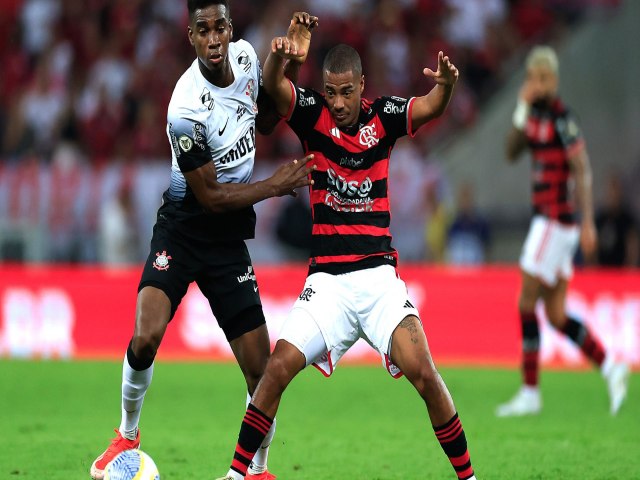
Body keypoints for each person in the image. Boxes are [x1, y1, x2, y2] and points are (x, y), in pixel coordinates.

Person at [216, 30, 477, 480]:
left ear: (362, 85)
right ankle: (238, 475)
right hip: (328, 285)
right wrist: (278, 60)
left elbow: (430, 105)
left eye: (346, 92)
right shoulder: (313, 115)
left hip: (378, 281)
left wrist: (448, 86)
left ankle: (469, 478)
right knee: (275, 369)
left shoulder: (386, 118)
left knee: (425, 374)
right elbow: (276, 91)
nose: (337, 103)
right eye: (331, 92)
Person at [89, 3, 317, 479]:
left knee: (262, 371)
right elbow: (210, 197)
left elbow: (268, 121)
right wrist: (274, 186)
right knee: (146, 335)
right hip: (185, 226)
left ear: (230, 30)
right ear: (190, 37)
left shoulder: (250, 58)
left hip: (227, 240)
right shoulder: (184, 107)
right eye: (202, 30)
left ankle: (257, 469)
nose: (213, 38)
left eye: (220, 27)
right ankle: (126, 434)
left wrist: (287, 64)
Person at [496, 45, 630, 417]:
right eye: (531, 78)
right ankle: (611, 365)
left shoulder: (562, 118)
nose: (536, 85)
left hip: (555, 220)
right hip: (550, 223)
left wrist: (588, 220)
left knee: (525, 302)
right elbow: (510, 151)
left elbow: (582, 168)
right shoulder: (535, 115)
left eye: (542, 78)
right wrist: (521, 108)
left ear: (553, 79)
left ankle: (530, 392)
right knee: (554, 314)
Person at [595, 172, 639, 267]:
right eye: (610, 190)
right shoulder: (600, 218)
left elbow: (633, 249)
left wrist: (629, 271)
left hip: (621, 273)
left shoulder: (627, 219)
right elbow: (592, 248)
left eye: (615, 189)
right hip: (601, 272)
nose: (612, 194)